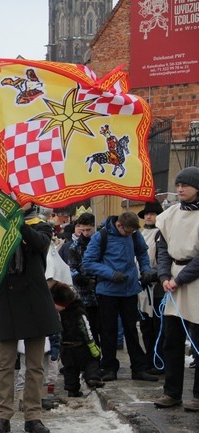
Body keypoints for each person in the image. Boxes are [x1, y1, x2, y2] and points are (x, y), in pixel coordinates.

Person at [0, 203, 62, 433]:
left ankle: (33, 416)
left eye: (24, 200)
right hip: (8, 298)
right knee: (4, 364)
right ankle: (2, 417)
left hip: (34, 300)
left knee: (35, 364)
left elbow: (39, 243)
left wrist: (17, 221)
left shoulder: (42, 225)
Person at [82, 211, 159, 383]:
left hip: (130, 290)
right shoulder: (101, 236)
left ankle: (139, 368)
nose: (131, 234)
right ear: (118, 225)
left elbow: (142, 253)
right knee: (108, 331)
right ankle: (109, 367)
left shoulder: (134, 234)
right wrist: (110, 273)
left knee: (131, 330)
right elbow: (88, 262)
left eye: (133, 232)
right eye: (128, 232)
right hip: (108, 290)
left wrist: (146, 269)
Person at [153, 166, 199, 411]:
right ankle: (171, 392)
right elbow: (163, 249)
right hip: (172, 281)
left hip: (195, 282)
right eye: (178, 184)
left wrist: (180, 279)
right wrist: (163, 276)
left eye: (186, 185)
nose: (180, 188)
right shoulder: (169, 215)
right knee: (172, 340)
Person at [49, 281, 104, 397]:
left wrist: (58, 348)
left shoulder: (57, 313)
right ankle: (92, 378)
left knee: (70, 369)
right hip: (81, 345)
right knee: (91, 362)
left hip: (66, 347)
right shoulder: (79, 311)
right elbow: (86, 328)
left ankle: (72, 389)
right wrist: (92, 344)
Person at [137, 200, 166, 373]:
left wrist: (154, 274)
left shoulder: (162, 234)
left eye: (153, 214)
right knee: (146, 327)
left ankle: (159, 360)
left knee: (159, 326)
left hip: (158, 289)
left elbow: (164, 259)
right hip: (142, 289)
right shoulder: (139, 234)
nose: (149, 216)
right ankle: (150, 358)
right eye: (147, 214)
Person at [66, 212, 100, 345]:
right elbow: (71, 267)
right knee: (88, 327)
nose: (85, 233)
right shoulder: (75, 247)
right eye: (83, 230)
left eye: (88, 230)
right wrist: (78, 277)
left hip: (100, 289)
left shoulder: (100, 243)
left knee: (102, 326)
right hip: (84, 292)